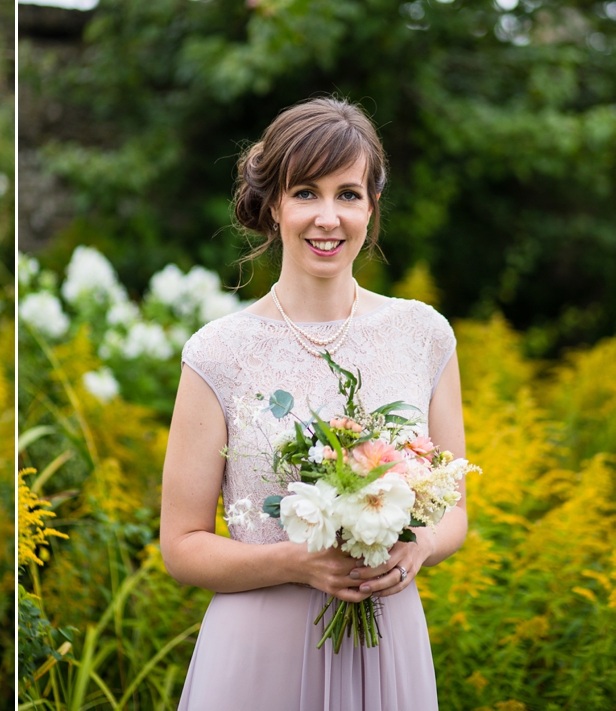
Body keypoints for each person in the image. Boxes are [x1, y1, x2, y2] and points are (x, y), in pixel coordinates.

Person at [159, 98, 466, 711]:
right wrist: (299, 563)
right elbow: (182, 544)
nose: (328, 218)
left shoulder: (424, 335)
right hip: (258, 653)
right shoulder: (218, 353)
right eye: (306, 192)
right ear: (274, 205)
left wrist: (419, 547)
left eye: (348, 194)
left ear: (371, 205)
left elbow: (453, 510)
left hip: (388, 643)